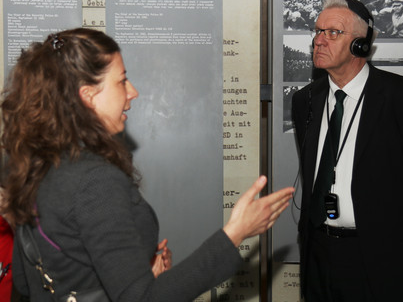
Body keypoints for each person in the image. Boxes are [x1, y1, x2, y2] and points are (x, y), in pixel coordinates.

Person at [1, 28, 295, 301]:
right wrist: (237, 232)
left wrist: (138, 272)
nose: (133, 92)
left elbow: (29, 283)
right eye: (121, 80)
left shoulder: (38, 165)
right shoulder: (94, 181)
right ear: (88, 96)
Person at [292, 0, 403, 301]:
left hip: (378, 258)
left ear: (361, 45)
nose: (318, 40)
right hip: (317, 255)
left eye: (332, 32)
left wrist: (390, 235)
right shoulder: (304, 100)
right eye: (317, 31)